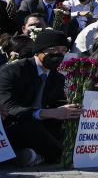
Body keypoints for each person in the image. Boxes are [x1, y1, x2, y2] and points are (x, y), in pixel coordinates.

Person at [0, 28, 80, 165]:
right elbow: (8, 108)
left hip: (39, 128)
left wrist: (71, 110)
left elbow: (57, 106)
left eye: (63, 51)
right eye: (53, 49)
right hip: (12, 126)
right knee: (32, 126)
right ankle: (61, 155)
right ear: (38, 51)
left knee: (65, 125)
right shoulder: (13, 71)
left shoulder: (57, 78)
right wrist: (44, 113)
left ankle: (31, 156)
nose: (58, 54)